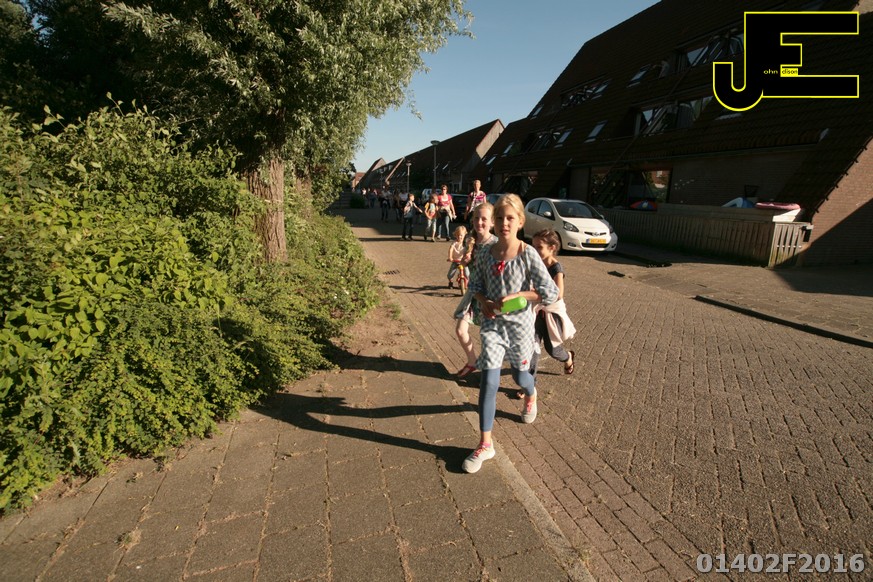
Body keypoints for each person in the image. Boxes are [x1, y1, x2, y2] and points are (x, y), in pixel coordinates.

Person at [462, 194, 559, 474]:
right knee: (489, 382)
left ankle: (531, 393)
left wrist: (521, 295)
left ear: (520, 222)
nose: (504, 223)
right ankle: (485, 444)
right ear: (494, 222)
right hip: (493, 327)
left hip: (520, 329)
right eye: (500, 218)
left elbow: (551, 292)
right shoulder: (485, 253)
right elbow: (475, 286)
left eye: (510, 218)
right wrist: (483, 301)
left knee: (519, 377)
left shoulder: (528, 254)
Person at [453, 202, 497, 378]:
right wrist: (465, 262)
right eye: (477, 218)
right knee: (460, 330)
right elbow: (465, 265)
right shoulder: (470, 241)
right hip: (473, 294)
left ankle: (488, 374)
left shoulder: (496, 244)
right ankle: (472, 361)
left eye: (484, 219)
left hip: (489, 296)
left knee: (488, 338)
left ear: (492, 222)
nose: (479, 222)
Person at [529, 229, 576, 381]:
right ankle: (529, 384)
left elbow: (559, 294)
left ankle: (568, 357)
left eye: (539, 247)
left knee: (553, 350)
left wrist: (535, 293)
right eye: (533, 246)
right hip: (536, 312)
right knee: (532, 348)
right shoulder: (535, 263)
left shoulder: (556, 268)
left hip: (551, 314)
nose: (535, 250)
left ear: (552, 248)